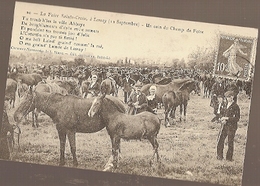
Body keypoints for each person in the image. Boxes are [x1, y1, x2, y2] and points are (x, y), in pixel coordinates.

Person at [217, 90, 240, 161]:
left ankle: (229, 158)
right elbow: (221, 113)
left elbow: (237, 118)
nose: (228, 98)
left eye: (229, 97)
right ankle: (219, 156)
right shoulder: (225, 104)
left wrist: (227, 118)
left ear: (232, 97)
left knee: (230, 142)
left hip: (232, 127)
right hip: (224, 125)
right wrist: (221, 119)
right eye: (227, 97)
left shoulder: (236, 106)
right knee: (220, 140)